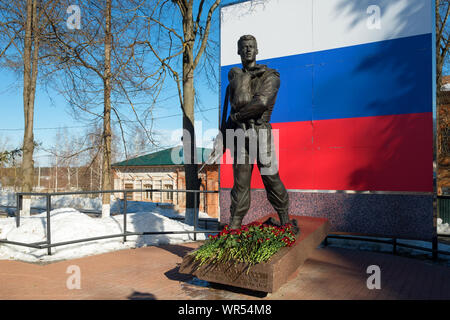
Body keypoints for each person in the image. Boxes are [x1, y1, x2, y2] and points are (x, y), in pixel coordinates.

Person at [223, 35, 297, 233]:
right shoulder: (234, 81)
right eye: (244, 47)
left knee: (270, 177)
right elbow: (228, 113)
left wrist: (239, 114)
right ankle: (235, 224)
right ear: (238, 51)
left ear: (257, 50)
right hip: (240, 134)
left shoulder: (270, 76)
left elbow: (261, 103)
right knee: (240, 181)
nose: (247, 50)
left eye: (251, 47)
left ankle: (284, 219)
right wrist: (224, 135)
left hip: (261, 131)